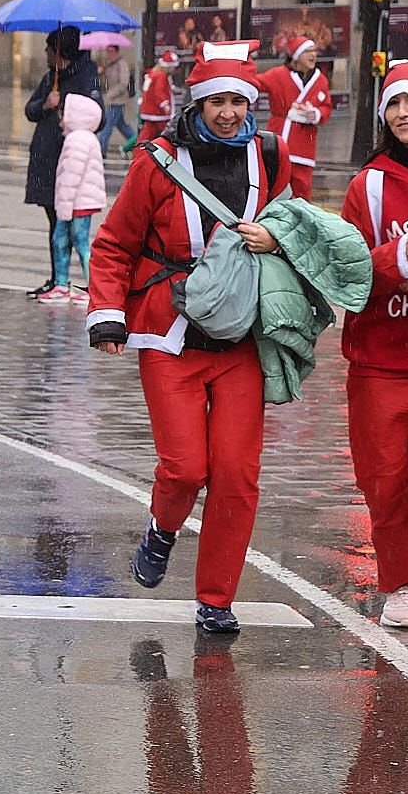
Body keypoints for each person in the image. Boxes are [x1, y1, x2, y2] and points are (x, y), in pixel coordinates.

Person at [86, 41, 289, 635]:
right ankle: (162, 529)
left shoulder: (269, 158)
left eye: (237, 101)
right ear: (196, 103)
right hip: (169, 335)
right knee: (184, 468)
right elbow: (114, 243)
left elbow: (296, 229)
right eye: (216, 101)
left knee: (235, 471)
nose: (228, 112)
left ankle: (216, 598)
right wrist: (106, 313)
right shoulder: (157, 162)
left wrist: (277, 244)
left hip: (241, 338)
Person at [335, 57, 408, 629]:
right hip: (378, 358)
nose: (404, 114)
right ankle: (401, 584)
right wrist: (396, 259)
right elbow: (345, 274)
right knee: (385, 480)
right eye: (394, 104)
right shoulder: (366, 186)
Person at [24, 25, 103, 297]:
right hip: (46, 161)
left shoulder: (86, 78)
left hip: (67, 162)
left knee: (70, 230)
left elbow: (97, 117)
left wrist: (67, 112)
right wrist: (46, 104)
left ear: (61, 53)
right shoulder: (50, 78)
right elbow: (30, 110)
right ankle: (57, 278)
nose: (45, 54)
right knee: (54, 224)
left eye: (49, 49)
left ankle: (70, 281)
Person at [48, 92, 108, 303]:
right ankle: (66, 285)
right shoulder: (86, 138)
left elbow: (71, 177)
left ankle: (88, 287)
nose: (62, 118)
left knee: (76, 242)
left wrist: (64, 208)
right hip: (82, 201)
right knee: (68, 240)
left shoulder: (76, 140)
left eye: (66, 113)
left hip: (76, 203)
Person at [263, 38, 333, 201]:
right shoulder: (277, 75)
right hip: (280, 136)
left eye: (314, 51)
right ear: (296, 55)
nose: (313, 55)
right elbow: (255, 83)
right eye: (308, 52)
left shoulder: (320, 80)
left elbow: (326, 107)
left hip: (304, 144)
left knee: (302, 190)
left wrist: (316, 113)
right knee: (274, 187)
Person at [98, 46, 137, 156]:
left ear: (116, 51)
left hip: (117, 101)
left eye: (110, 51)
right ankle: (138, 144)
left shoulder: (122, 64)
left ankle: (101, 151)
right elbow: (106, 83)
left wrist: (110, 95)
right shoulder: (110, 64)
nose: (108, 54)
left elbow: (123, 83)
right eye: (107, 51)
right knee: (123, 127)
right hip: (111, 101)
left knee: (107, 127)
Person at [138, 50, 179, 153]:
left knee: (147, 133)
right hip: (157, 112)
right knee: (167, 133)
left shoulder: (154, 73)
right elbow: (159, 91)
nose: (174, 69)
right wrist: (165, 104)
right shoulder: (161, 76)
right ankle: (169, 150)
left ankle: (138, 151)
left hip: (150, 110)